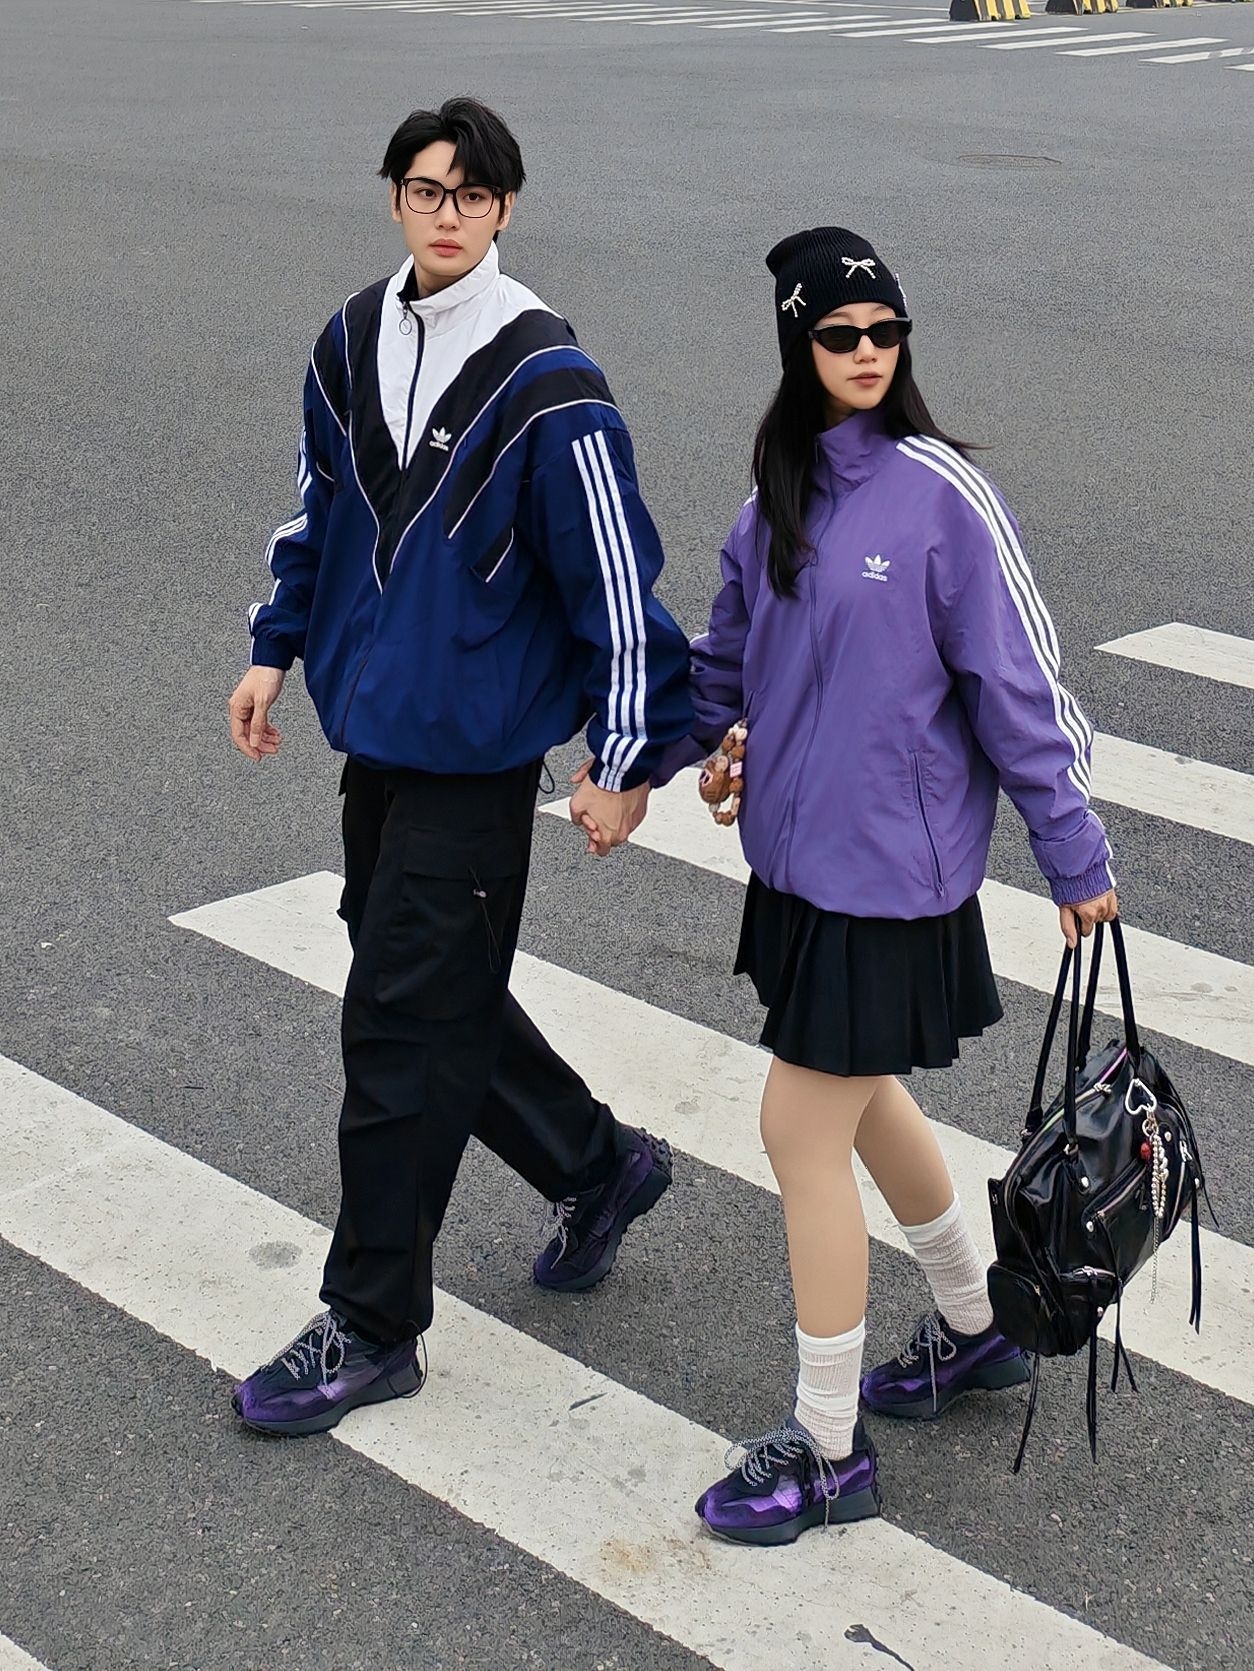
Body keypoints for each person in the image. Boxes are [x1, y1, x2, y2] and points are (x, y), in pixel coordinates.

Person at [226, 97, 692, 1437]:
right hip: (377, 731)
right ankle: (594, 1165)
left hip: (477, 758)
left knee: (396, 1027)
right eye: (426, 190)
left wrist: (623, 755)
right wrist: (273, 647)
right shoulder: (349, 339)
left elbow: (616, 580)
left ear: (503, 210)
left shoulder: (549, 380)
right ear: (394, 197)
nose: (446, 213)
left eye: (471, 195)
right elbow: (317, 510)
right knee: (422, 987)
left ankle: (373, 1323)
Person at [664, 227, 1119, 1544]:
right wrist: (675, 753)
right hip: (799, 866)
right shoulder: (777, 495)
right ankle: (978, 1327)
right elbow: (726, 661)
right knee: (862, 1106)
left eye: (885, 332)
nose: (868, 353)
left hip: (889, 880)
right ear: (798, 347)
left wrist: (1072, 850)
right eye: (840, 335)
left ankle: (826, 1452)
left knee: (797, 1130)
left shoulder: (939, 495)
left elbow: (1018, 684)